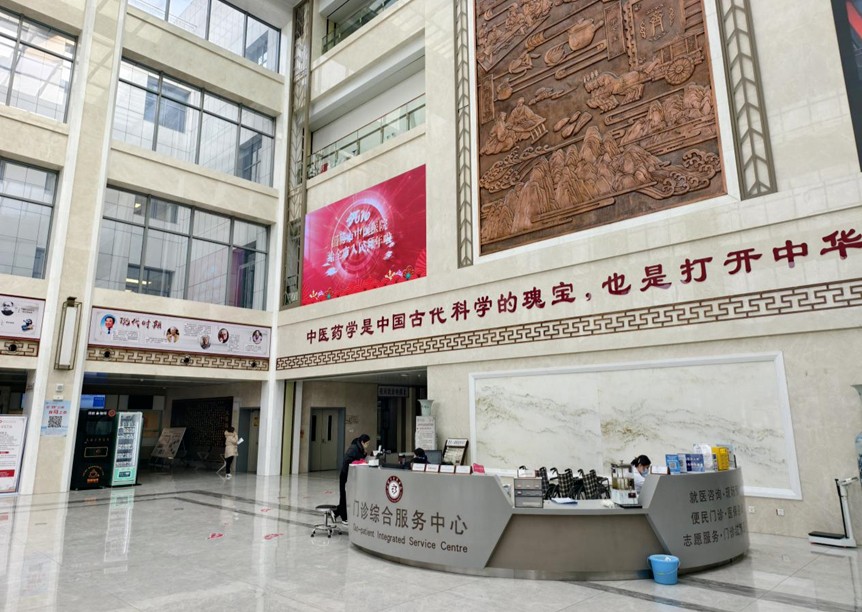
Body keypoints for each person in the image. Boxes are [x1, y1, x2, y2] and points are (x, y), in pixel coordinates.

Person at [334, 434, 370, 525]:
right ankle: (344, 517)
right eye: (367, 443)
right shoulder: (353, 448)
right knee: (344, 496)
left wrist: (364, 453)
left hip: (350, 475)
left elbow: (358, 458)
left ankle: (335, 512)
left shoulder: (360, 448)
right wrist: (348, 475)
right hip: (345, 474)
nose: (368, 445)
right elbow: (346, 461)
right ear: (362, 442)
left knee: (347, 496)